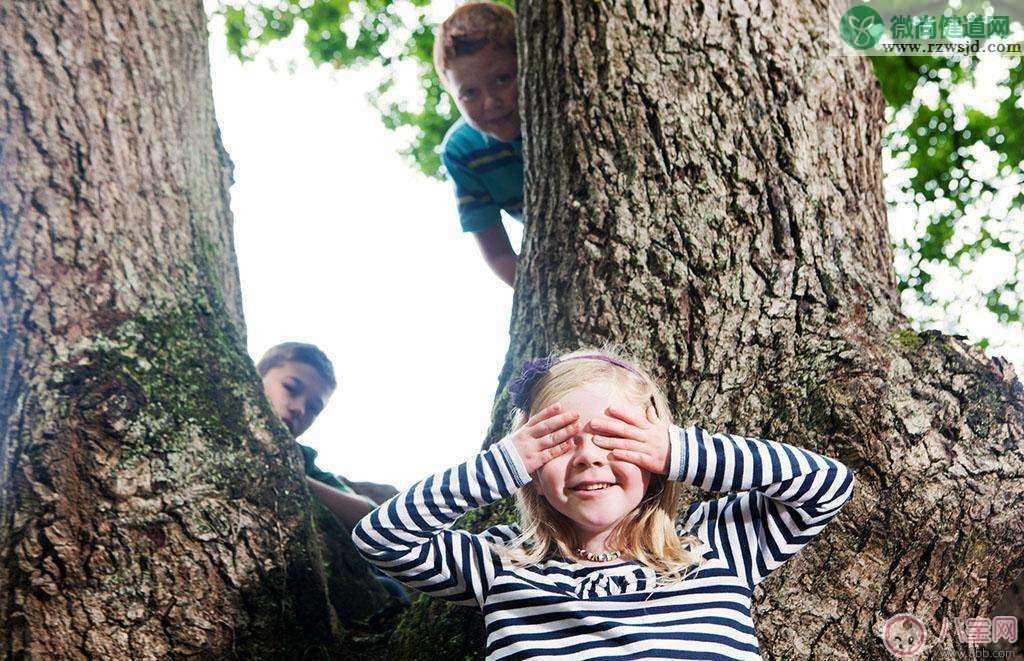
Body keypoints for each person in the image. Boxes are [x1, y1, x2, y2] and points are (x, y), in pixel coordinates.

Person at [350, 347, 856, 659]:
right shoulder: (502, 561)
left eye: (614, 438)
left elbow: (828, 485)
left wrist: (679, 450)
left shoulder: (715, 544)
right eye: (560, 441)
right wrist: (504, 461)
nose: (589, 457)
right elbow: (382, 537)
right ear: (529, 466)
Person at [257, 341, 410, 604]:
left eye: (314, 408)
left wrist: (295, 478)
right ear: (256, 375)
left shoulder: (302, 460)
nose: (299, 408)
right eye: (291, 388)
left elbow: (369, 513)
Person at [435, 2, 523, 287]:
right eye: (470, 93)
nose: (491, 102)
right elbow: (498, 254)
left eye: (502, 79)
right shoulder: (462, 151)